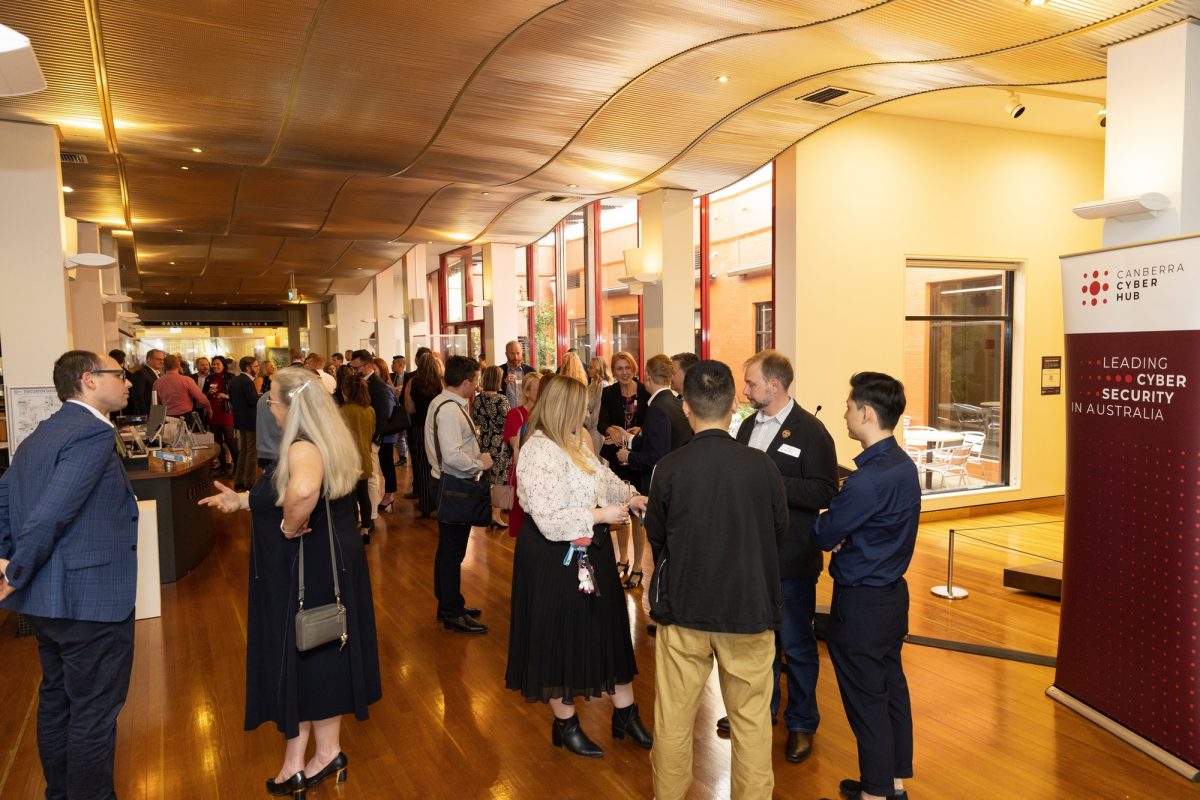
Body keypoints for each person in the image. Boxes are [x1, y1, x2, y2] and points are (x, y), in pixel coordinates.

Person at [199, 367, 382, 796]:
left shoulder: (302, 445)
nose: (274, 413)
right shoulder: (329, 438)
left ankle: (305, 760)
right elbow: (290, 489)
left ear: (291, 405)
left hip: (305, 566)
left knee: (303, 653)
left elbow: (302, 491)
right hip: (330, 565)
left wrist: (287, 528)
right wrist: (243, 500)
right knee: (322, 653)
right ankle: (319, 754)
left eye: (275, 405)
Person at [645, 360, 787, 800]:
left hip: (685, 608)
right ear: (732, 408)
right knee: (751, 724)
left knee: (673, 720)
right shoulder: (761, 467)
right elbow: (778, 530)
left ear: (686, 407)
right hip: (748, 610)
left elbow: (657, 534)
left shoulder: (669, 467)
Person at [0, 351, 138, 800]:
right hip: (90, 602)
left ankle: (59, 793)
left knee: (58, 701)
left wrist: (8, 560)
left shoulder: (39, 434)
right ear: (89, 381)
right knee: (93, 714)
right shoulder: (91, 433)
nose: (128, 382)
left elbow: (6, 501)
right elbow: (51, 514)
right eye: (118, 375)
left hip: (50, 603)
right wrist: (14, 571)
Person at [505, 374, 653, 758]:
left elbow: (604, 478)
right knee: (559, 637)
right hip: (554, 559)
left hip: (592, 552)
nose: (588, 414)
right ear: (561, 409)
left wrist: (633, 498)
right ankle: (565, 723)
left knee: (609, 631)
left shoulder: (575, 444)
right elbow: (549, 518)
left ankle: (625, 715)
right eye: (582, 408)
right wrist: (601, 514)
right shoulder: (538, 450)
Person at [714, 349, 839, 763]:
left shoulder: (812, 432)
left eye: (750, 383)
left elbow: (824, 491)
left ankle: (802, 722)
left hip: (791, 559)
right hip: (751, 557)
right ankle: (760, 713)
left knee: (797, 646)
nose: (744, 389)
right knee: (756, 642)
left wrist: (771, 481)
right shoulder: (747, 425)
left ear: (775, 385)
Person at [813, 372, 921, 800]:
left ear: (866, 413)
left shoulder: (865, 481)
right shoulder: (903, 467)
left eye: (849, 406)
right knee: (890, 689)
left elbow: (823, 533)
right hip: (892, 597)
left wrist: (833, 530)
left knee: (866, 701)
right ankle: (891, 783)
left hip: (861, 605)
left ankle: (875, 794)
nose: (844, 413)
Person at [425, 355, 492, 634]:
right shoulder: (451, 410)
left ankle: (449, 603)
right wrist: (480, 463)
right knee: (452, 553)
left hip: (448, 484)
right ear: (466, 382)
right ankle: (452, 611)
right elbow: (452, 456)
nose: (476, 387)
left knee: (448, 552)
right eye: (475, 381)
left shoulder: (442, 403)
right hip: (454, 486)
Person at [616, 353, 692, 589]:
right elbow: (657, 442)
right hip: (680, 487)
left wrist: (628, 456)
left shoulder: (658, 408)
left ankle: (664, 613)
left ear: (647, 377)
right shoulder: (676, 403)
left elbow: (657, 456)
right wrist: (631, 440)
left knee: (661, 554)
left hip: (662, 490)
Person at [596, 351, 650, 583]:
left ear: (634, 368)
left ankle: (638, 565)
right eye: (619, 368)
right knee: (620, 511)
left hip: (638, 458)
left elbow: (651, 423)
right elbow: (601, 422)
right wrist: (612, 431)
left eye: (627, 367)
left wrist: (640, 432)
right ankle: (623, 558)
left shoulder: (645, 391)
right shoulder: (608, 392)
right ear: (614, 371)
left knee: (638, 514)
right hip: (617, 458)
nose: (624, 372)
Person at [351, 350, 398, 515]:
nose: (355, 371)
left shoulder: (378, 385)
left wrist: (374, 438)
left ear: (368, 366)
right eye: (353, 367)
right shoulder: (363, 382)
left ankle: (370, 515)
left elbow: (384, 415)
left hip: (371, 438)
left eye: (357, 368)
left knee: (370, 477)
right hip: (365, 437)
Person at [337, 367, 376, 545]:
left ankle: (353, 528)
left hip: (348, 459)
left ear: (348, 392)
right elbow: (372, 432)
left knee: (351, 497)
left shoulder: (344, 411)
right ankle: (366, 528)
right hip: (365, 458)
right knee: (364, 495)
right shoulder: (370, 411)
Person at [501, 371, 540, 540]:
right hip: (522, 475)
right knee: (522, 527)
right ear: (526, 392)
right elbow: (516, 445)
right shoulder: (515, 414)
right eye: (538, 389)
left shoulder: (544, 414)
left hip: (541, 474)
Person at [404, 352, 443, 517]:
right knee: (439, 465)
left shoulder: (412, 382)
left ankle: (426, 506)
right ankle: (441, 504)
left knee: (421, 466)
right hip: (438, 428)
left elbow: (409, 408)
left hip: (419, 427)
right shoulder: (441, 383)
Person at [471, 365, 511, 529]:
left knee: (488, 477)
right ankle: (496, 515)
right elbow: (509, 422)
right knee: (501, 479)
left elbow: (476, 420)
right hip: (501, 442)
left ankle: (488, 512)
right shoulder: (502, 400)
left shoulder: (478, 399)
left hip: (485, 440)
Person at [230, 355, 261, 492]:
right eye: (255, 366)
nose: (257, 368)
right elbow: (254, 402)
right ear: (248, 368)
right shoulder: (248, 382)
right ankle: (249, 482)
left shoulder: (235, 380)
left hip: (239, 420)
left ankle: (239, 480)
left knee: (243, 450)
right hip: (250, 420)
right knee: (251, 452)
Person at [204, 355, 237, 476]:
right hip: (213, 413)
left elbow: (236, 395)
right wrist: (209, 393)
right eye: (213, 364)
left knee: (229, 440)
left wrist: (226, 396)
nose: (215, 366)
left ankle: (237, 466)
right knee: (217, 442)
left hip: (226, 412)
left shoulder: (231, 377)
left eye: (218, 364)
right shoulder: (209, 379)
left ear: (223, 365)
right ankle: (223, 466)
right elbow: (204, 396)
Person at [154, 353, 211, 417]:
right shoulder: (187, 380)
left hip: (167, 416)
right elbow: (201, 398)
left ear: (164, 366)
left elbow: (155, 403)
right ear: (178, 365)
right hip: (185, 416)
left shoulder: (157, 382)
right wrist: (208, 408)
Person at [585, 356, 612, 452]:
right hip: (591, 426)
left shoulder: (602, 385)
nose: (588, 369)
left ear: (598, 369)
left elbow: (598, 410)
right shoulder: (593, 384)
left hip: (596, 429)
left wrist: (586, 422)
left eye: (591, 367)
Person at [500, 339, 535, 408]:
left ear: (522, 353)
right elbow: (493, 392)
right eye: (512, 354)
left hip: (526, 412)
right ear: (506, 354)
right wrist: (503, 382)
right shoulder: (499, 371)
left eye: (518, 353)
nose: (515, 357)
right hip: (505, 413)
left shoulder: (530, 371)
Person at [129, 348, 163, 415]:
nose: (162, 362)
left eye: (162, 359)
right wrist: (145, 416)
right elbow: (138, 397)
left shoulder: (158, 373)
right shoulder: (140, 373)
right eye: (158, 359)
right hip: (147, 414)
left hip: (156, 412)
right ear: (149, 359)